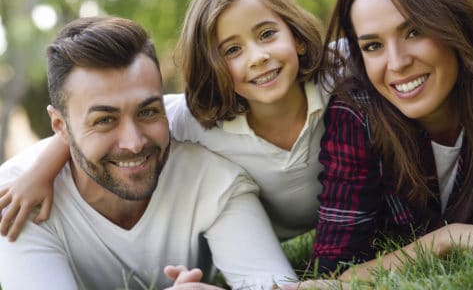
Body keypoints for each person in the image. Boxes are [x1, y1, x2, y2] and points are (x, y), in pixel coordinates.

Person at [0, 0, 332, 242]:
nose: (258, 58)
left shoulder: (340, 77)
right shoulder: (196, 120)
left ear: (298, 37)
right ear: (210, 65)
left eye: (267, 34)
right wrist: (39, 174)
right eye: (231, 50)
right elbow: (112, 123)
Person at [0, 16, 297, 289]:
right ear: (60, 126)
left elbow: (273, 285)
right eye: (105, 120)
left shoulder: (213, 180)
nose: (134, 142)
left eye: (148, 111)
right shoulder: (15, 201)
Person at [313, 0, 473, 280]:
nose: (396, 63)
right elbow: (334, 273)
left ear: (456, 25)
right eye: (373, 46)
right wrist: (448, 238)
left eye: (414, 31)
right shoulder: (357, 115)